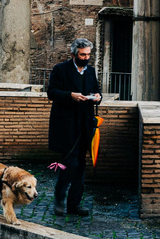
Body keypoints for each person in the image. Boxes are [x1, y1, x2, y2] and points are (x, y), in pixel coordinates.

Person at [47, 38, 101, 217]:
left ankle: (74, 205)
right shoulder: (60, 70)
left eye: (88, 55)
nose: (86, 58)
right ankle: (59, 199)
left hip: (85, 125)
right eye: (82, 55)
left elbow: (95, 89)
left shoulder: (91, 71)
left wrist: (98, 96)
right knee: (69, 163)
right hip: (66, 126)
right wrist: (70, 95)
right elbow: (51, 93)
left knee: (81, 166)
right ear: (73, 54)